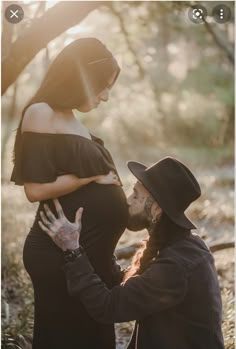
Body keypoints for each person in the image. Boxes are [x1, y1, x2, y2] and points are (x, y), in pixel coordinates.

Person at [10, 38, 128, 349]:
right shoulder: (41, 112)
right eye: (102, 86)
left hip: (89, 257)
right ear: (81, 78)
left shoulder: (75, 121)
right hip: (57, 254)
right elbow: (34, 190)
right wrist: (89, 176)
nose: (105, 96)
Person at [40, 157, 225, 349]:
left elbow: (109, 307)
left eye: (136, 196)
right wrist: (96, 243)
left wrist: (73, 251)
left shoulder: (177, 265)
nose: (128, 201)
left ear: (156, 209)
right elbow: (129, 287)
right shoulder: (179, 246)